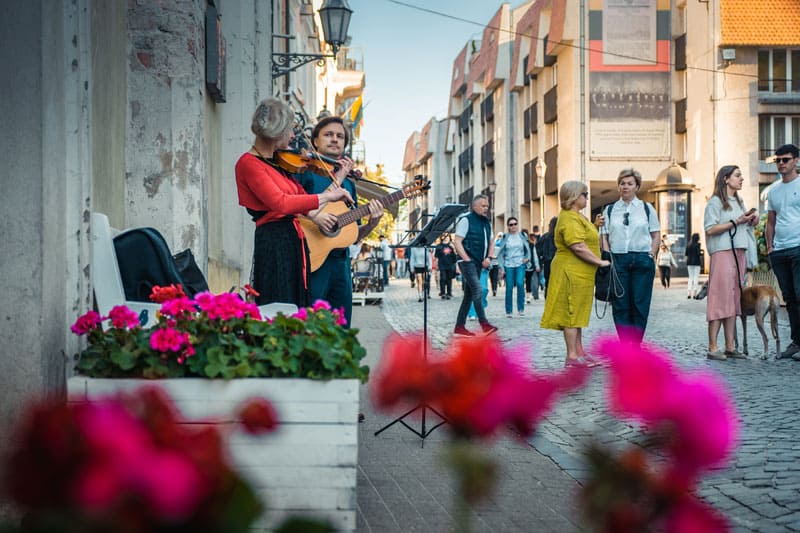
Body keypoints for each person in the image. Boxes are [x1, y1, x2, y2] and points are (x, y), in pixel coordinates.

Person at [235, 98, 353, 308]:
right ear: (277, 130)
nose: (292, 136)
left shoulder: (277, 165)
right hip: (275, 243)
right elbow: (281, 203)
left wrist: (339, 178)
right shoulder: (249, 163)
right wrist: (329, 197)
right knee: (279, 304)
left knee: (296, 306)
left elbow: (307, 204)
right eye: (289, 129)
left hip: (294, 241)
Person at [295, 115, 383, 327]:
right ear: (315, 141)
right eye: (328, 134)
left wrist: (372, 224)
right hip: (312, 261)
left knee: (341, 328)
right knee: (310, 326)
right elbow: (291, 210)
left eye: (340, 136)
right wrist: (340, 177)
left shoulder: (350, 185)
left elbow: (351, 234)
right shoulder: (304, 173)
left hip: (341, 266)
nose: (335, 139)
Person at [541, 181, 610, 366]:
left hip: (580, 274)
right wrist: (600, 262)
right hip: (570, 272)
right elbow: (577, 246)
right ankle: (572, 356)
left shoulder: (577, 216)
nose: (587, 197)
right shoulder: (569, 218)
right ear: (574, 196)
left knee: (577, 313)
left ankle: (579, 352)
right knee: (571, 314)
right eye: (584, 194)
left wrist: (594, 226)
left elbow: (584, 238)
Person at [599, 168, 660, 345]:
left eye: (630, 184)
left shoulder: (647, 208)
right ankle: (626, 346)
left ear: (637, 187)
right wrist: (608, 257)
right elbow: (604, 236)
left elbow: (656, 234)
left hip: (642, 259)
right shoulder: (610, 210)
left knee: (640, 304)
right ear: (618, 186)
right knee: (620, 305)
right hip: (618, 260)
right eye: (622, 183)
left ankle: (636, 344)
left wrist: (651, 254)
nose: (625, 186)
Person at [703, 165, 758, 361]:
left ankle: (730, 346)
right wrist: (736, 222)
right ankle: (713, 347)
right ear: (726, 179)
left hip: (739, 251)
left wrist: (749, 221)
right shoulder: (715, 202)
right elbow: (710, 229)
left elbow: (740, 223)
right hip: (722, 252)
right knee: (719, 297)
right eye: (737, 175)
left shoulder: (739, 201)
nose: (741, 179)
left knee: (734, 298)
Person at [766, 143, 800, 359]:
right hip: (779, 250)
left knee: (799, 293)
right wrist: (770, 247)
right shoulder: (773, 190)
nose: (781, 163)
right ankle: (796, 342)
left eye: (785, 159)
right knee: (789, 297)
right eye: (777, 160)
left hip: (798, 247)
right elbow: (770, 221)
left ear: (796, 160)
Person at [452, 195, 498, 336]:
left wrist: (489, 257)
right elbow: (457, 241)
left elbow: (491, 242)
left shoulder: (487, 223)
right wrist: (466, 259)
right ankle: (484, 324)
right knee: (478, 289)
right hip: (467, 262)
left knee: (469, 295)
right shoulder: (466, 220)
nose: (486, 208)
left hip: (479, 263)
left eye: (487, 206)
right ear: (474, 206)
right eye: (483, 206)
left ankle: (459, 327)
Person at [497, 217, 535, 317]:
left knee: (520, 283)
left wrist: (527, 258)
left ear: (517, 225)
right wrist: (501, 267)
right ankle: (509, 311)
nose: (513, 226)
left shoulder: (522, 236)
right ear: (508, 226)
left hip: (520, 264)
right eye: (511, 224)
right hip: (508, 264)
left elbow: (528, 249)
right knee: (509, 287)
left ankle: (521, 309)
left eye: (515, 224)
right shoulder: (505, 237)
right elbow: (500, 253)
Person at [539, 216, 558, 297]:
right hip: (557, 262)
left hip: (547, 262)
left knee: (548, 282)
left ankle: (548, 297)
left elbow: (538, 250)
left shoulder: (545, 236)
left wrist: (541, 261)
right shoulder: (559, 237)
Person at [435, 234, 457, 299]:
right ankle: (443, 293)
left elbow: (455, 256)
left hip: (450, 265)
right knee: (443, 278)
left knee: (449, 279)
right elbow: (436, 256)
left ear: (449, 237)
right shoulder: (439, 246)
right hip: (442, 265)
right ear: (441, 237)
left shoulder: (451, 246)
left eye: (447, 236)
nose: (445, 237)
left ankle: (449, 293)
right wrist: (436, 265)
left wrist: (454, 248)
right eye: (444, 236)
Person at [524, 228, 542, 303]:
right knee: (529, 281)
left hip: (527, 266)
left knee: (527, 281)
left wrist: (537, 265)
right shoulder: (530, 244)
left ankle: (528, 295)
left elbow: (534, 255)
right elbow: (535, 256)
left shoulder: (530, 245)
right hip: (528, 266)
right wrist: (537, 265)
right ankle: (529, 295)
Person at [685, 233, 703, 299]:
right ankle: (695, 293)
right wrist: (701, 253)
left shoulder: (688, 245)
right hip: (696, 263)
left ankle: (689, 293)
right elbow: (698, 253)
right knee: (696, 277)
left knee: (690, 278)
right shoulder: (698, 244)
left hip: (689, 262)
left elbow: (686, 254)